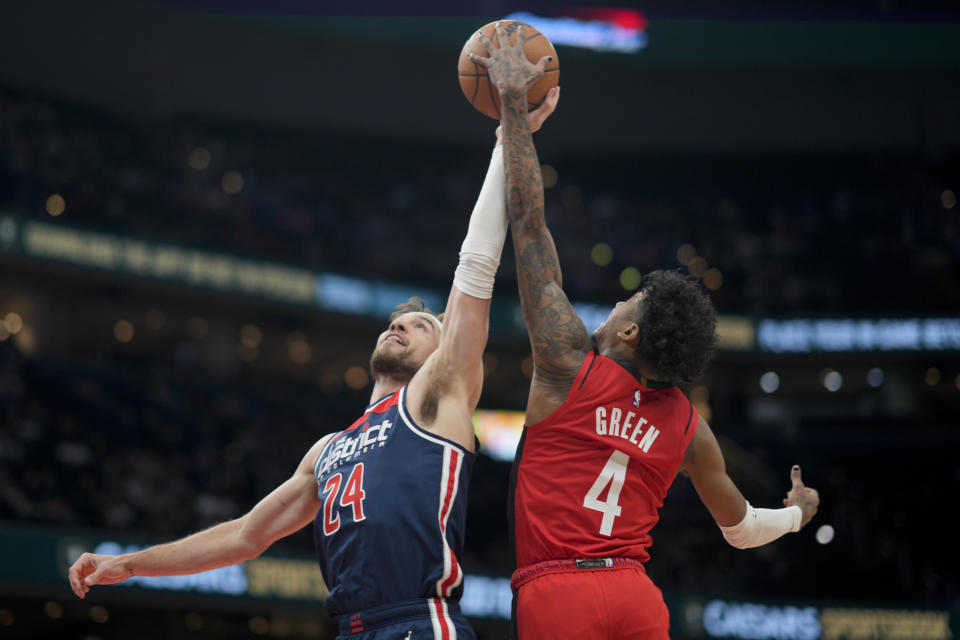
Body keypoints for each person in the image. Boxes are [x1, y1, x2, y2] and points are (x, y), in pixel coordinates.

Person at [67, 97, 559, 640]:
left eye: (422, 327)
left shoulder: (436, 400)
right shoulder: (326, 450)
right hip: (351, 628)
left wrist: (505, 141)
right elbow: (245, 536)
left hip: (419, 621)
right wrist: (133, 564)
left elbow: (477, 262)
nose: (400, 327)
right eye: (397, 323)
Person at [469, 22, 821, 640]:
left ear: (631, 334)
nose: (612, 307)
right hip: (636, 596)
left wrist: (513, 114)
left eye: (625, 303)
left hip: (559, 589)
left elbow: (527, 223)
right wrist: (794, 516)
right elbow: (740, 530)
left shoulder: (566, 364)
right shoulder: (689, 426)